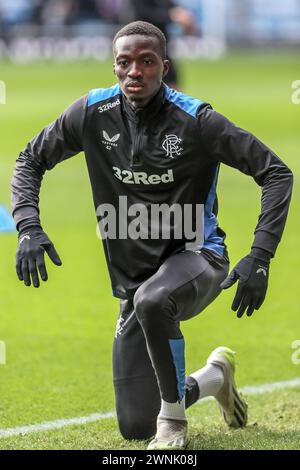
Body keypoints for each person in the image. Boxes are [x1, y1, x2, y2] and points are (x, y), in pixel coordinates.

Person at [11, 21, 293, 450]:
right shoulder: (92, 112)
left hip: (200, 257)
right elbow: (30, 159)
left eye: (146, 62)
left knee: (155, 301)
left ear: (165, 66)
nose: (135, 72)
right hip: (137, 280)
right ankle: (215, 378)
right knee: (134, 424)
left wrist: (259, 256)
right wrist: (28, 226)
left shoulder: (198, 121)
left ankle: (174, 425)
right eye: (125, 62)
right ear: (114, 67)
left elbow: (276, 173)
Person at [122, 0, 196, 87]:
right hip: (142, 43)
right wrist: (171, 15)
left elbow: (170, 6)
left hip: (159, 46)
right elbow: (143, 13)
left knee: (171, 81)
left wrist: (182, 14)